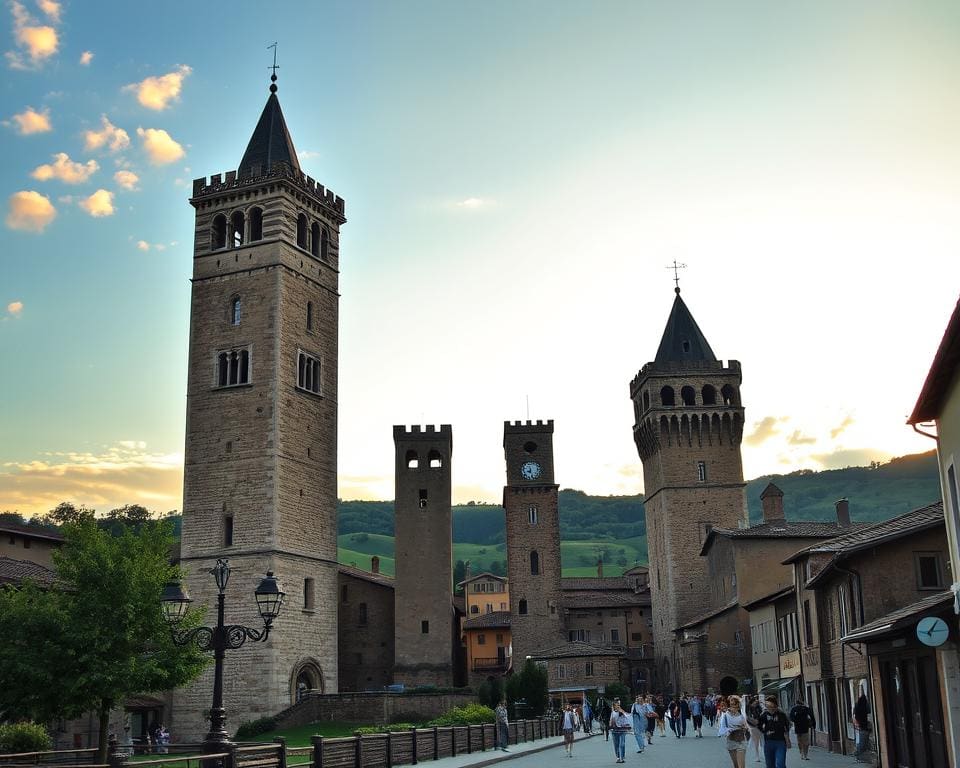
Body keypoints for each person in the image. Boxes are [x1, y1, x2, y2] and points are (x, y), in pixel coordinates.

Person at [757, 696, 791, 768]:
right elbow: (759, 725)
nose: (770, 708)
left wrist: (788, 741)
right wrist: (764, 731)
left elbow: (786, 728)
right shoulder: (764, 714)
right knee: (770, 765)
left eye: (772, 706)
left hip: (780, 742)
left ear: (775, 706)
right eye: (768, 706)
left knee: (780, 764)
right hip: (768, 742)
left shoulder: (781, 715)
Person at [718, 694, 749, 768]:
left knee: (741, 766)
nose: (734, 707)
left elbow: (746, 726)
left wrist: (745, 727)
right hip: (731, 740)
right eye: (732, 705)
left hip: (741, 740)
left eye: (736, 705)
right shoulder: (725, 715)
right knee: (736, 766)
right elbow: (722, 729)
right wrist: (729, 730)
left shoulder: (742, 714)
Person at [609, 699, 632, 764]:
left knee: (622, 744)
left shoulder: (622, 712)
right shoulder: (612, 713)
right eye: (617, 705)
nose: (618, 706)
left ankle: (622, 757)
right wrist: (610, 727)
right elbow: (611, 721)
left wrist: (622, 711)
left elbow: (628, 717)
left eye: (619, 705)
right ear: (614, 706)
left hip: (622, 730)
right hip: (615, 730)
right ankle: (618, 757)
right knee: (616, 744)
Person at [853, 693, 871, 763]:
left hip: (860, 726)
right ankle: (860, 756)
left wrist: (857, 723)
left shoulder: (857, 706)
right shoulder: (866, 707)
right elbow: (869, 713)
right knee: (863, 743)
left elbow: (855, 715)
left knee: (861, 742)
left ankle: (860, 756)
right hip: (865, 726)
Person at [746, 695, 764, 763]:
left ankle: (760, 754)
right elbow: (747, 718)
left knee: (761, 740)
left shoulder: (758, 707)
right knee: (756, 741)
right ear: (751, 702)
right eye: (754, 701)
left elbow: (761, 715)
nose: (756, 702)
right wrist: (753, 721)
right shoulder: (748, 708)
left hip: (760, 726)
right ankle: (757, 755)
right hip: (753, 727)